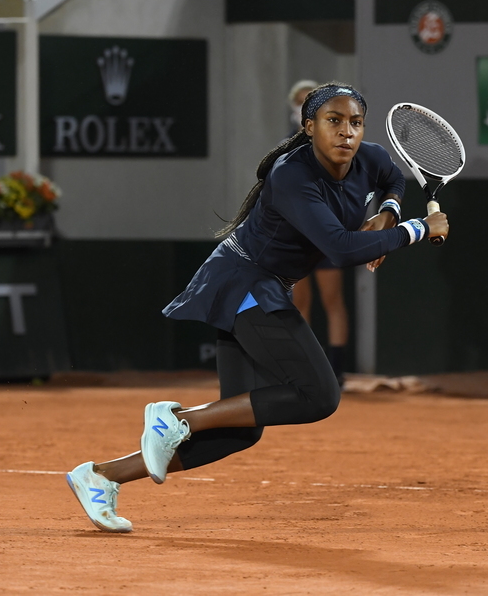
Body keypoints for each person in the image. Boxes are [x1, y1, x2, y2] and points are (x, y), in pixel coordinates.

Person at [65, 82, 449, 533]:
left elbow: (392, 179)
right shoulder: (292, 175)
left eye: (356, 123)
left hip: (264, 286)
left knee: (240, 430)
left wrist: (385, 212)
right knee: (319, 395)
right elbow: (343, 250)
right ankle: (176, 419)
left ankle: (101, 476)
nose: (347, 132)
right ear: (309, 127)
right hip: (243, 282)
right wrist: (417, 229)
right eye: (334, 121)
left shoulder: (370, 158)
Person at [286, 79, 350, 386]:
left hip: (327, 234)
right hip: (297, 236)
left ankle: (336, 371)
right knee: (300, 302)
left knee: (332, 299)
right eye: (298, 102)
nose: (301, 106)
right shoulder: (288, 147)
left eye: (307, 101)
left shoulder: (339, 142)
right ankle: (307, 369)